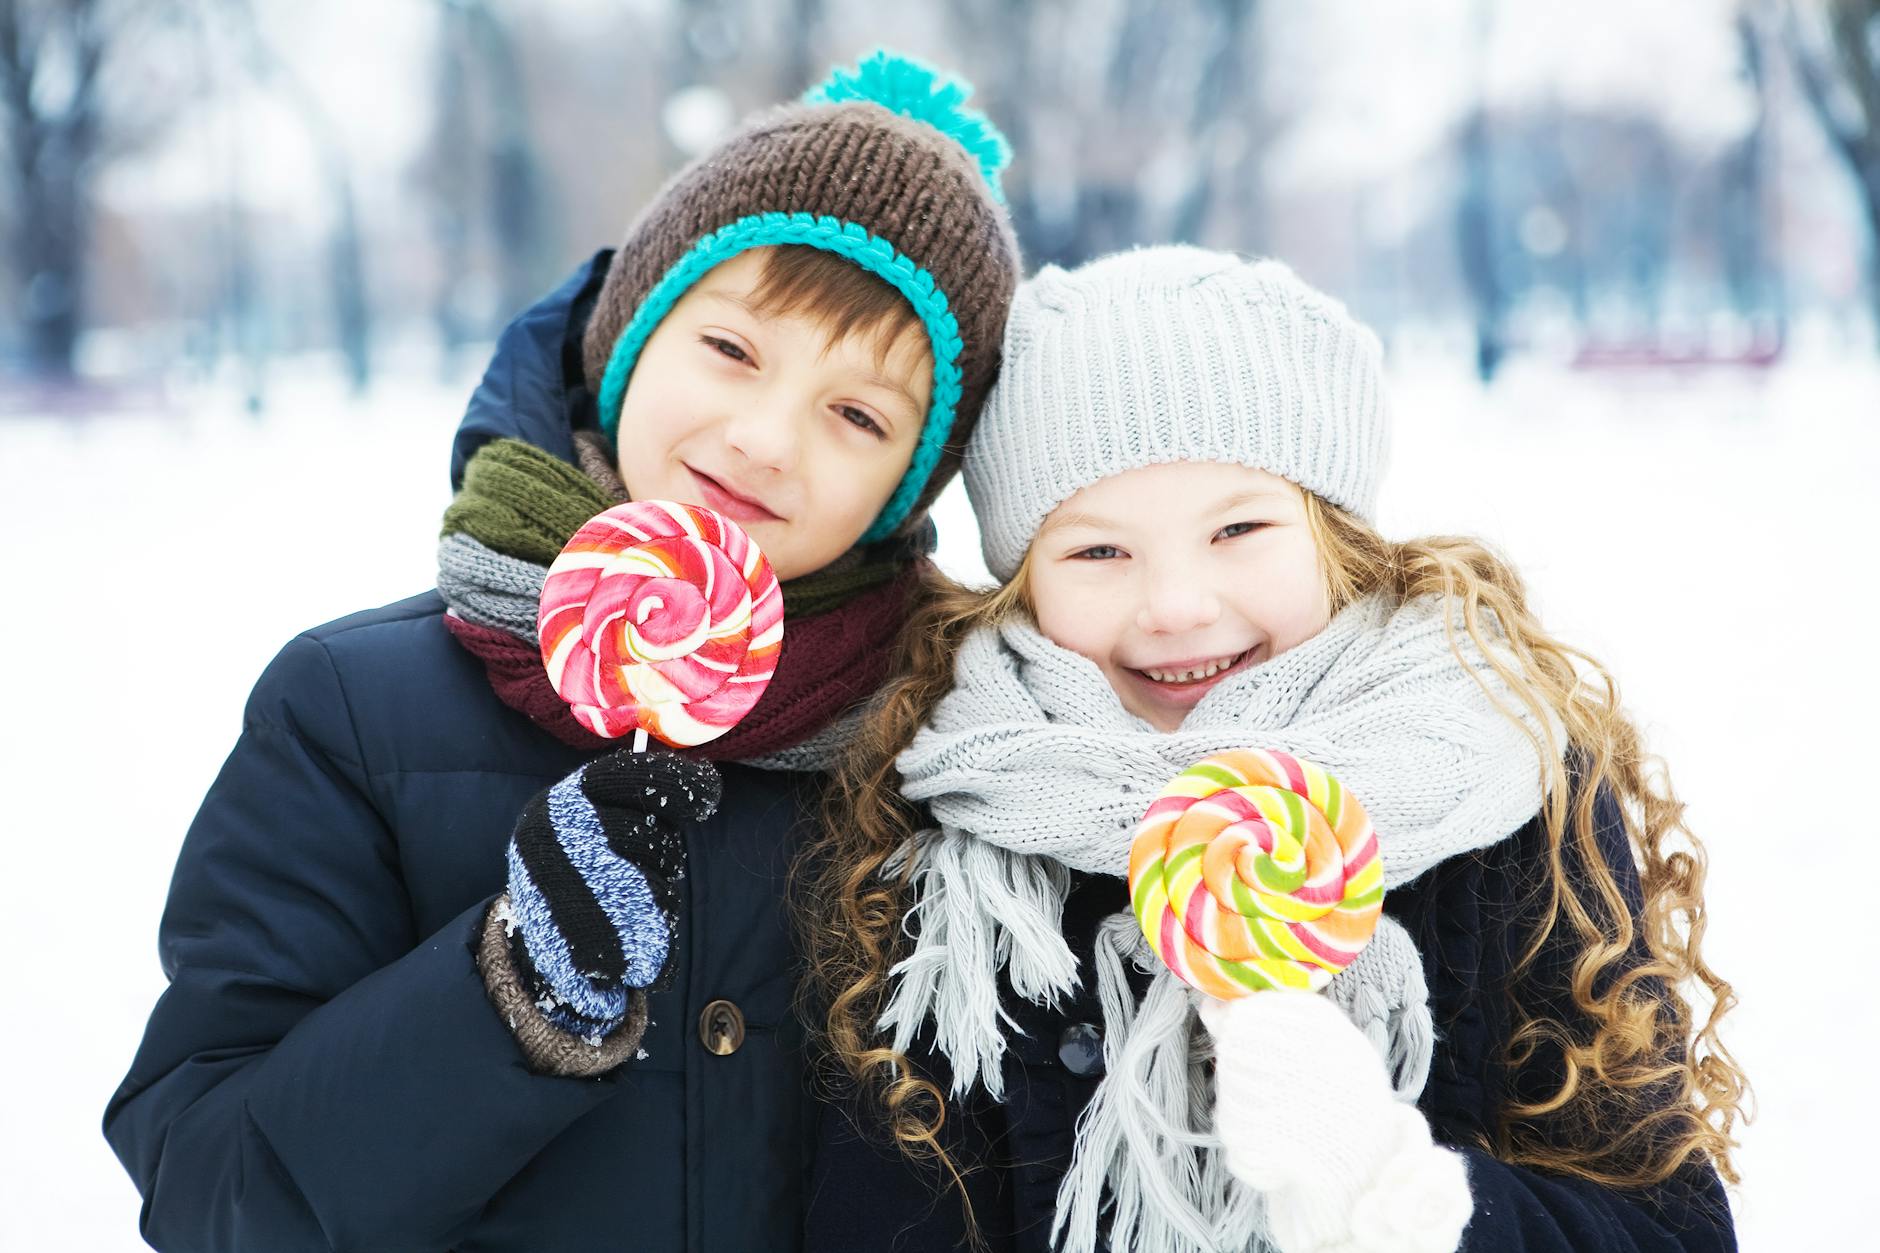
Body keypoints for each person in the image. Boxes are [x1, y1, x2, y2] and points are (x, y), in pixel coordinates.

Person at [103, 51, 1020, 1252]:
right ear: (631, 328)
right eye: (732, 350)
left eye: (856, 415)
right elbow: (208, 1189)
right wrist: (507, 996)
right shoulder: (350, 713)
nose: (762, 438)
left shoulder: (962, 749)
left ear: (912, 481)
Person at [798, 246, 1746, 1252]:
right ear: (1020, 581)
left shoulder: (1505, 787)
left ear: (1332, 535)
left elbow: (1668, 1229)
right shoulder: (940, 834)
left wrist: (1395, 1192)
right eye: (1097, 550)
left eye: (1237, 528)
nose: (1175, 605)